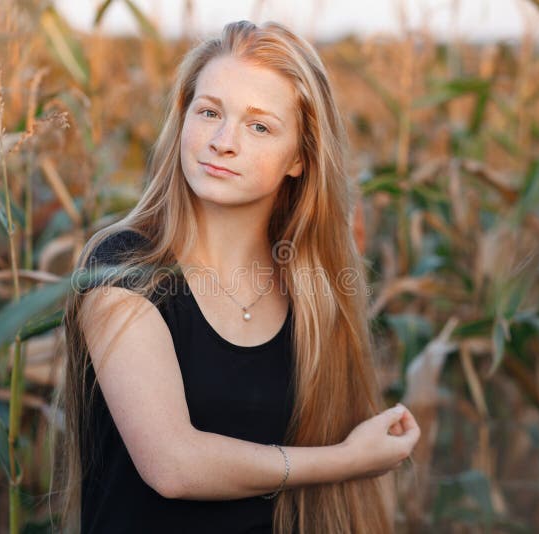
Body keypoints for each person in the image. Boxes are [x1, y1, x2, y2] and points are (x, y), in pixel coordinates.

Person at [55, 20, 420, 534]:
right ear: (184, 120)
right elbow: (173, 466)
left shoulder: (312, 290)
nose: (223, 142)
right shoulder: (123, 268)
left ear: (299, 157)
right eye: (209, 113)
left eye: (259, 126)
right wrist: (349, 460)